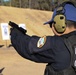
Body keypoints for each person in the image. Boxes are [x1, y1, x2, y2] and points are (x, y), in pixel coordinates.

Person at [10, 1, 76, 75]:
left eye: (51, 24)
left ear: (59, 24)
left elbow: (27, 47)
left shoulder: (58, 44)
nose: (52, 28)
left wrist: (14, 33)